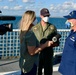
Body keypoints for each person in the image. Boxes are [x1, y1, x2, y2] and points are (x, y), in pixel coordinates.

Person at [19, 10, 54, 75]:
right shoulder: (30, 34)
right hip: (30, 65)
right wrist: (45, 45)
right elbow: (32, 52)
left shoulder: (23, 32)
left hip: (24, 64)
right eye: (34, 18)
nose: (36, 20)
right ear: (31, 20)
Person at [32, 8, 60, 75]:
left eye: (48, 16)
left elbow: (57, 42)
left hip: (48, 54)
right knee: (37, 72)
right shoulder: (34, 28)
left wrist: (52, 44)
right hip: (37, 54)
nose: (46, 17)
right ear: (41, 16)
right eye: (45, 16)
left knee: (48, 72)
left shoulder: (52, 27)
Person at [58, 10, 76, 75]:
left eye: (69, 19)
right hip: (65, 69)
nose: (67, 21)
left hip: (72, 70)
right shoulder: (72, 32)